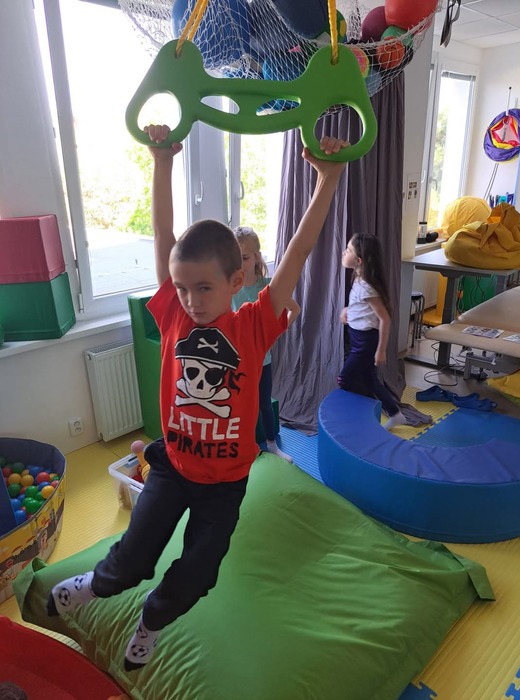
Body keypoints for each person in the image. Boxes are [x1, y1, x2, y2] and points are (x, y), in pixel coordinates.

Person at [47, 124, 349, 671]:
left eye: (203, 287)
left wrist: (327, 180)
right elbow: (163, 237)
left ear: (237, 280)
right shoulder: (173, 316)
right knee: (131, 562)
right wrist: (162, 162)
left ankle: (152, 620)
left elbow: (300, 251)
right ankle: (95, 584)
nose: (190, 299)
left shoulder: (254, 324)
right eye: (182, 288)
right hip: (172, 468)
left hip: (225, 485)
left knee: (200, 572)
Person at [232, 226, 300, 463]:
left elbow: (294, 309)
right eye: (235, 258)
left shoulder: (268, 287)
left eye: (245, 258)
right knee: (241, 407)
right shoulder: (229, 288)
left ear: (257, 256)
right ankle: (243, 448)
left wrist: (275, 333)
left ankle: (272, 444)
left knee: (264, 404)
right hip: (237, 363)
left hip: (263, 361)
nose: (240, 264)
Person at [338, 232, 407, 430]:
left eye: (348, 250)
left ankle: (353, 416)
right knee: (370, 379)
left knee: (344, 379)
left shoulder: (367, 287)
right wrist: (348, 310)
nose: (344, 252)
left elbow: (384, 318)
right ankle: (394, 414)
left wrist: (381, 350)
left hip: (366, 342)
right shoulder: (359, 279)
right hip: (358, 338)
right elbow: (362, 306)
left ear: (359, 260)